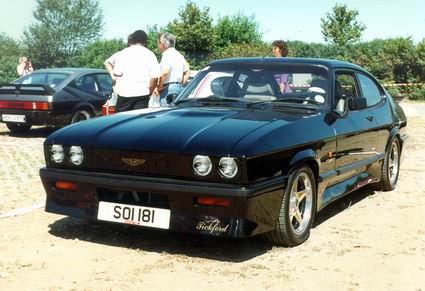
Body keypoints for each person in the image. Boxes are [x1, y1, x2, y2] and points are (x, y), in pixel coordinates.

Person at [104, 30, 160, 112]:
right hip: (142, 93)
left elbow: (117, 73)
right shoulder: (150, 54)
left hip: (125, 93)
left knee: (121, 121)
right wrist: (150, 91)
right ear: (145, 41)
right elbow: (154, 78)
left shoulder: (123, 53)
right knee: (138, 122)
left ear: (132, 40)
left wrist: (113, 76)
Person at [154, 32, 190, 105]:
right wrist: (181, 84)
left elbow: (164, 72)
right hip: (179, 88)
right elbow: (187, 72)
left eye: (159, 42)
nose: (158, 45)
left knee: (166, 113)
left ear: (163, 44)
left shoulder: (167, 55)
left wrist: (159, 87)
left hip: (168, 89)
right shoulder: (179, 55)